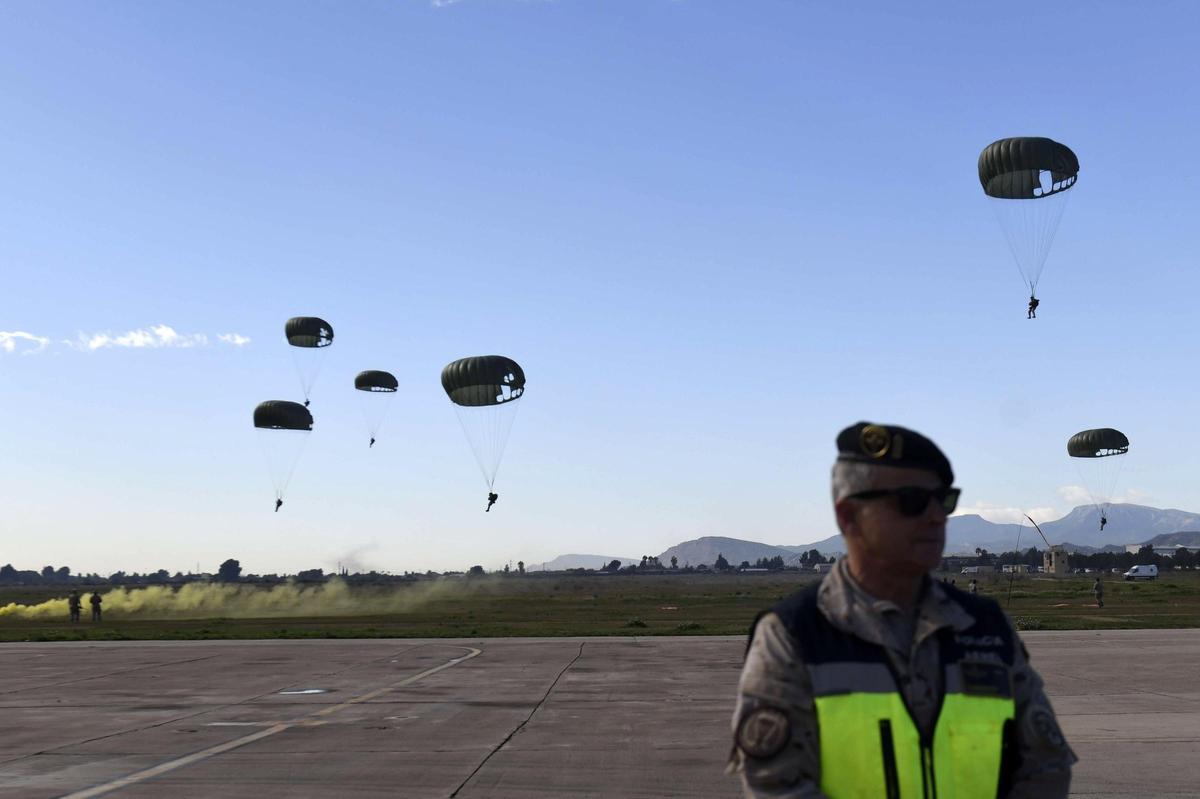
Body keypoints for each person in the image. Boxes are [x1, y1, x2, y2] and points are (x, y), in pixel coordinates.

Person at [729, 421, 1075, 797]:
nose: (936, 516)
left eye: (943, 500)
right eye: (912, 501)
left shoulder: (986, 628)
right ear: (849, 517)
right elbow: (778, 785)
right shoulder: (794, 636)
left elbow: (1045, 767)